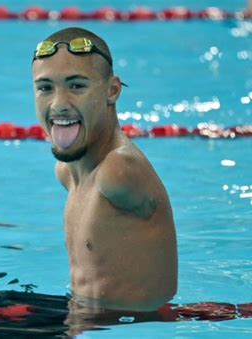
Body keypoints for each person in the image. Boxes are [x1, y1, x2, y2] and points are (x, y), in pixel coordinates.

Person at [31, 27, 178, 314]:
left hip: (127, 328)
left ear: (112, 90)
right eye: (46, 88)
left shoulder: (118, 170)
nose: (59, 104)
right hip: (84, 317)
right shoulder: (67, 171)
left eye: (76, 86)